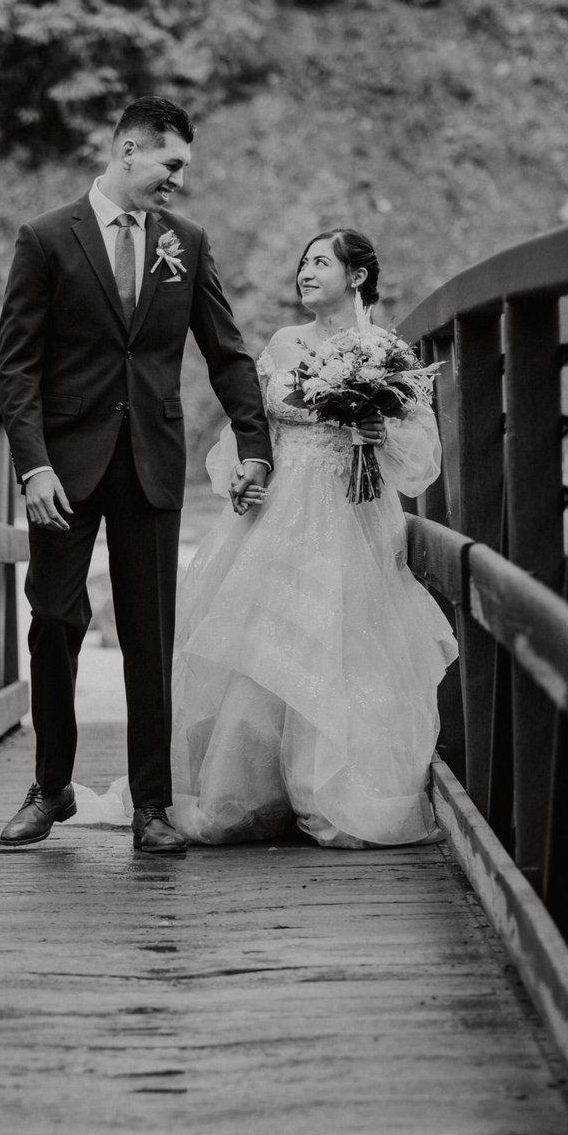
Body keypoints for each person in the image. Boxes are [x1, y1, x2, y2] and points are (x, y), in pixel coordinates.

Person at [0, 96, 273, 853]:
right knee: (53, 619)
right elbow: (16, 368)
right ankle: (51, 787)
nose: (179, 181)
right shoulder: (47, 239)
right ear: (127, 152)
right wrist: (33, 466)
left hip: (152, 461)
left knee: (150, 634)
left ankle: (151, 805)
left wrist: (255, 443)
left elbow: (226, 351)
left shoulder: (185, 242)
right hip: (65, 467)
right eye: (170, 164)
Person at [167, 228, 458, 847]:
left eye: (320, 263)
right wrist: (246, 472)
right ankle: (253, 792)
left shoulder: (386, 351)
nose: (305, 272)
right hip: (280, 510)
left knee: (345, 640)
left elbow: (420, 457)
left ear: (356, 277)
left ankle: (332, 794)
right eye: (302, 262)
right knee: (267, 638)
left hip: (352, 514)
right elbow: (254, 426)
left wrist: (378, 432)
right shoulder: (284, 342)